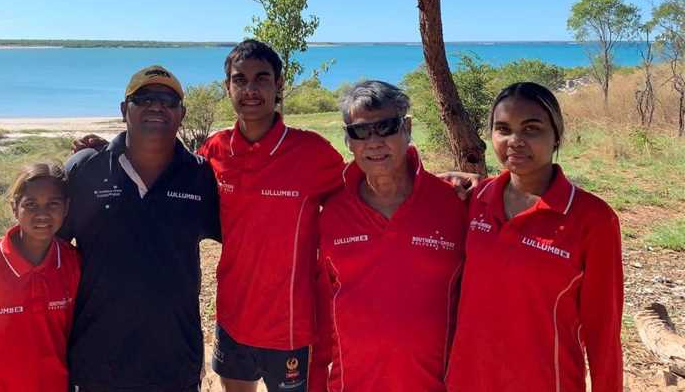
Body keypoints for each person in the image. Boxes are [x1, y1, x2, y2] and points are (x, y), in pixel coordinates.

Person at [0, 65, 221, 392]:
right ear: (123, 110)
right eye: (143, 98)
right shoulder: (86, 169)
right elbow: (41, 249)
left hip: (174, 361)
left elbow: (248, 241)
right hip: (96, 363)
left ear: (181, 114)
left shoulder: (200, 175)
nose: (156, 106)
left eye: (168, 100)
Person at [445, 82, 624, 392]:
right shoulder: (475, 201)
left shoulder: (592, 219)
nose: (515, 141)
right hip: (468, 380)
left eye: (531, 128)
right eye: (503, 129)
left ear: (556, 136)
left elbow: (603, 330)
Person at [197, 40, 345, 392]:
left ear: (279, 85)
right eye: (240, 79)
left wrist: (447, 185)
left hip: (291, 325)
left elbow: (366, 191)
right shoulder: (214, 151)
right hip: (232, 317)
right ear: (227, 87)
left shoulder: (312, 153)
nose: (250, 89)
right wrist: (105, 151)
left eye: (262, 78)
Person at [309, 80, 467, 392]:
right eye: (360, 131)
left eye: (386, 128)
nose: (374, 142)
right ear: (349, 141)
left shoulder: (455, 204)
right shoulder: (332, 213)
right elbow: (321, 314)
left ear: (407, 128)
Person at [0, 162, 81, 392]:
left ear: (66, 208)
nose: (42, 214)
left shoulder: (72, 263)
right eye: (30, 204)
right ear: (15, 208)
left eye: (53, 204)